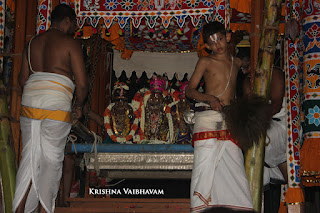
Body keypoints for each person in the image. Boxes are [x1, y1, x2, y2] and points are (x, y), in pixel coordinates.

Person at [13, 4, 88, 213]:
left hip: (30, 104)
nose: (73, 29)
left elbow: (22, 80)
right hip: (56, 106)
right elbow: (82, 84)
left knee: (29, 158)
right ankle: (45, 210)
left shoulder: (32, 43)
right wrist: (78, 107)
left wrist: (39, 92)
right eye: (73, 24)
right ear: (66, 21)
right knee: (51, 161)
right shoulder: (70, 44)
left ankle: (19, 210)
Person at [186, 21, 253, 212]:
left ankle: (239, 207)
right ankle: (202, 207)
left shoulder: (237, 62)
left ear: (228, 37)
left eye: (221, 39)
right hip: (208, 119)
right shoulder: (205, 61)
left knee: (235, 167)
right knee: (205, 168)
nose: (218, 45)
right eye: (213, 42)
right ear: (207, 46)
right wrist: (209, 98)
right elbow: (189, 91)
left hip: (230, 121)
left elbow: (249, 69)